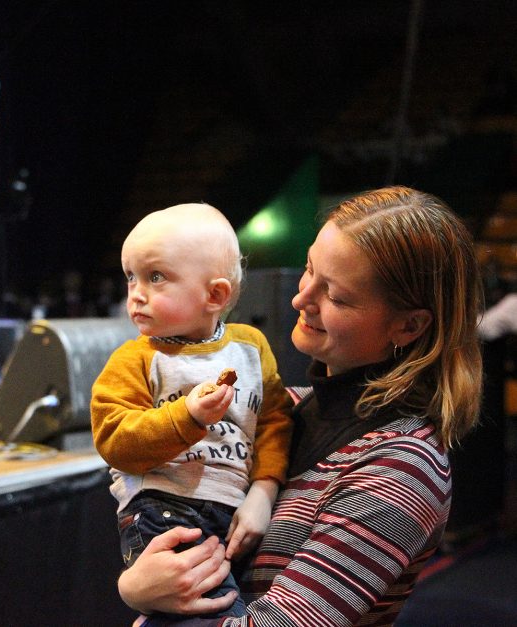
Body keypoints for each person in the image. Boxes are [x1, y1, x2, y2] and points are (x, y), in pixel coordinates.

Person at [115, 186, 484, 627]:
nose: (300, 298)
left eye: (335, 296)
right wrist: (134, 586)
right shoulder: (280, 406)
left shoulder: (402, 467)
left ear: (409, 325)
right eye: (309, 270)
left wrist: (147, 600)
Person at [91, 203, 293, 620]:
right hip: (164, 508)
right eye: (131, 277)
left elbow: (274, 423)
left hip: (233, 509)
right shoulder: (134, 359)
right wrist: (188, 418)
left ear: (215, 295)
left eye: (156, 277)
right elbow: (114, 440)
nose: (136, 293)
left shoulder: (251, 348)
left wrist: (264, 488)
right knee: (215, 615)